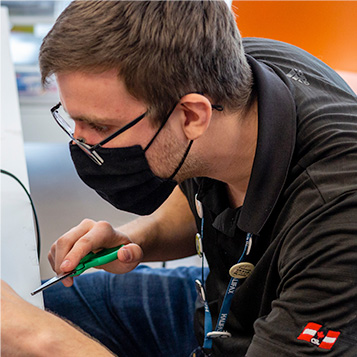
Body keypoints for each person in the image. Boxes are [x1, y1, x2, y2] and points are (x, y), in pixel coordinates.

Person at [1, 1, 357, 356]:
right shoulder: (234, 69)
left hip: (285, 327)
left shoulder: (338, 226)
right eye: (73, 119)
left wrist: (40, 339)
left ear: (191, 116)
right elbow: (203, 191)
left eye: (99, 126)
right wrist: (136, 239)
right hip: (221, 301)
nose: (80, 142)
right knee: (48, 303)